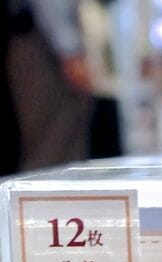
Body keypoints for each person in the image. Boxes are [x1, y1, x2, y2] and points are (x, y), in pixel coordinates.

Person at [5, 0, 94, 170]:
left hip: (44, 38)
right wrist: (70, 50)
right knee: (54, 142)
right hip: (43, 43)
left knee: (58, 141)